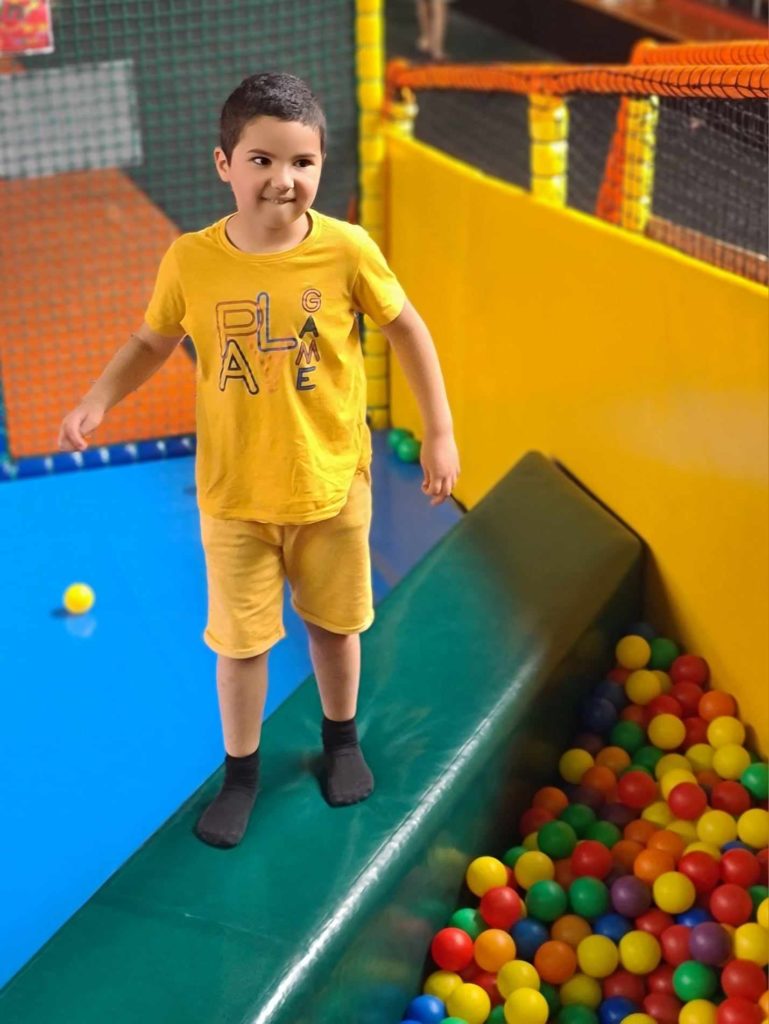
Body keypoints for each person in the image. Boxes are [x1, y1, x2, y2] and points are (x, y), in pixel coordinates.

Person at [57, 72, 459, 849]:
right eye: (262, 160)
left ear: (321, 165)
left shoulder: (346, 250)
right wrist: (98, 399)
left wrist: (438, 431)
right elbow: (151, 340)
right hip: (235, 495)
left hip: (330, 485)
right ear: (225, 165)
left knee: (334, 628)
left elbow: (407, 328)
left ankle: (341, 740)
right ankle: (241, 773)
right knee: (240, 647)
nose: (284, 179)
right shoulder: (192, 259)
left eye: (302, 162)